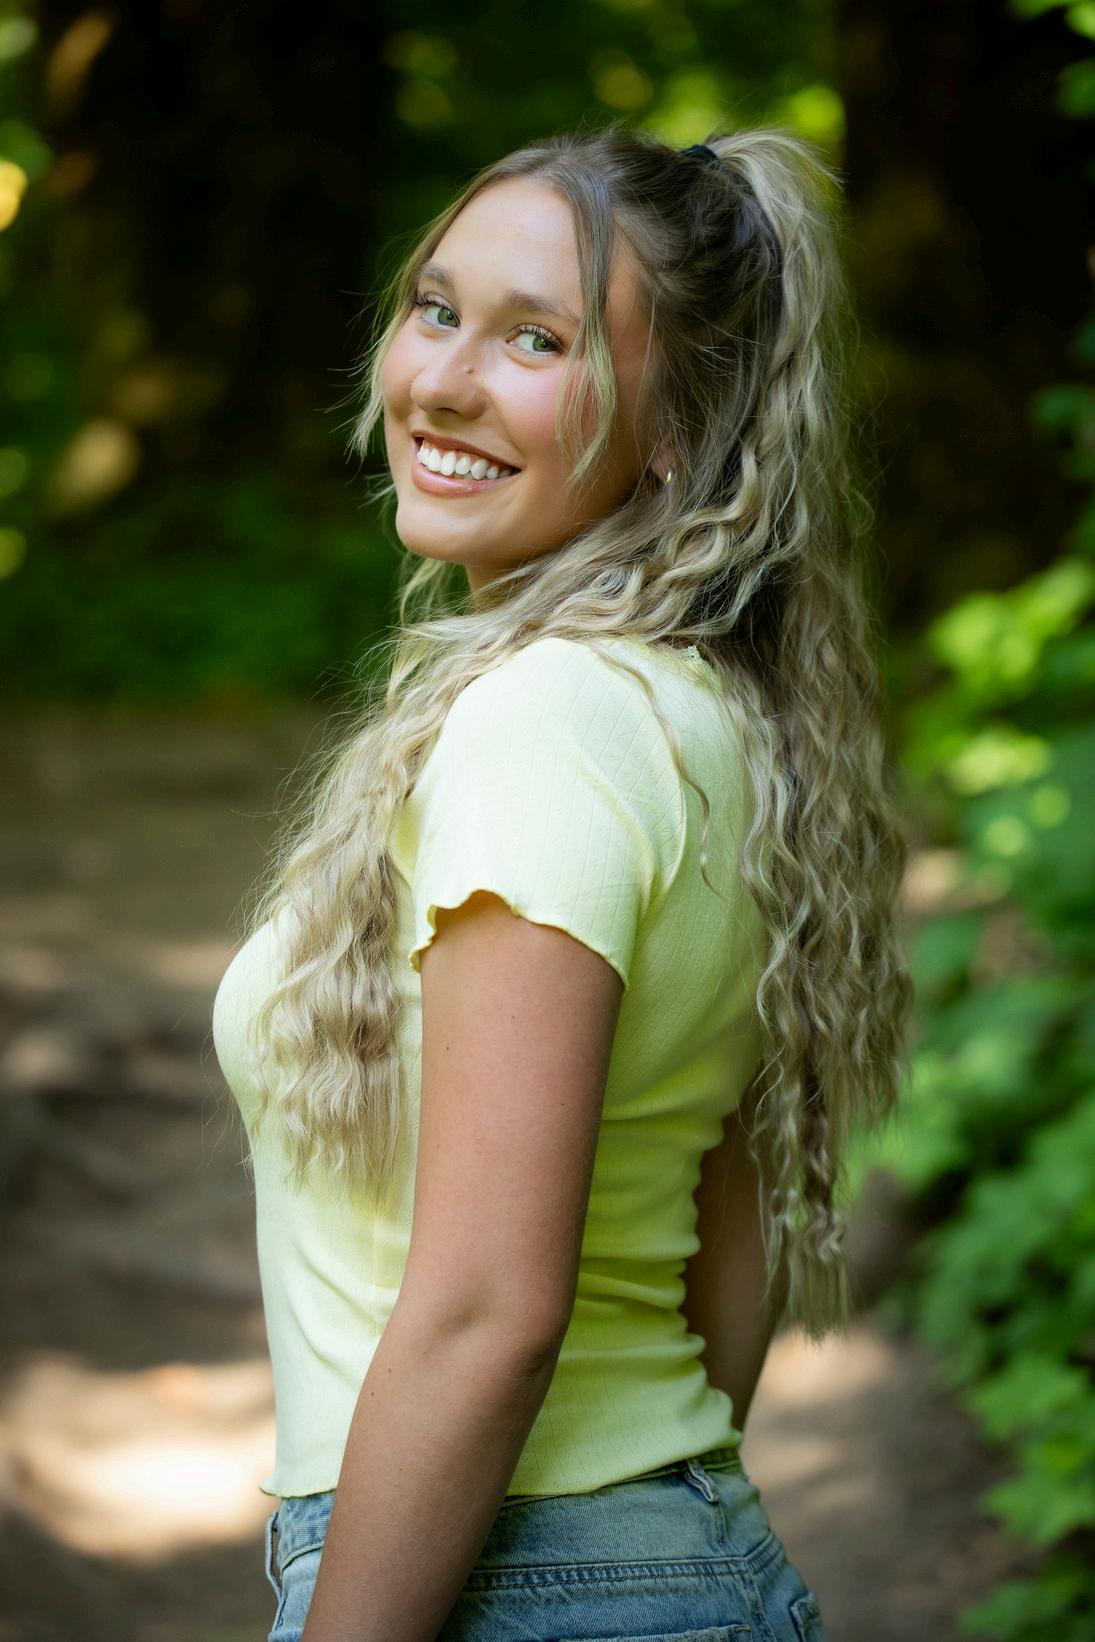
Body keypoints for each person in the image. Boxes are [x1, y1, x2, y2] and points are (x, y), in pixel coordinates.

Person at [212, 120, 913, 1642]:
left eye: (538, 338)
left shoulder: (547, 725)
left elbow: (490, 1313)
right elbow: (726, 1257)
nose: (445, 381)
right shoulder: (708, 722)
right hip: (662, 1554)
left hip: (520, 1582)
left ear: (678, 429)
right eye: (435, 308)